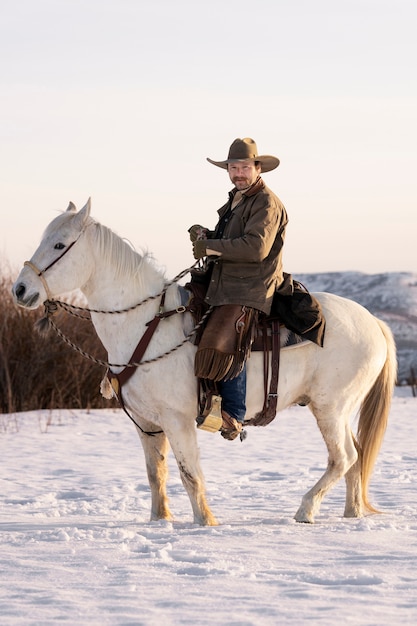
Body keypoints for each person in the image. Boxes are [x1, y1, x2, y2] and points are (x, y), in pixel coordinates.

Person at [188, 137, 289, 441]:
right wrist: (207, 235)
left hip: (250, 286)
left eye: (244, 167)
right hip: (224, 283)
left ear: (258, 168)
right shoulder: (237, 200)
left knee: (226, 334)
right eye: (233, 167)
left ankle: (233, 414)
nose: (238, 173)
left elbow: (256, 247)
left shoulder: (266, 202)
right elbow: (229, 240)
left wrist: (211, 246)